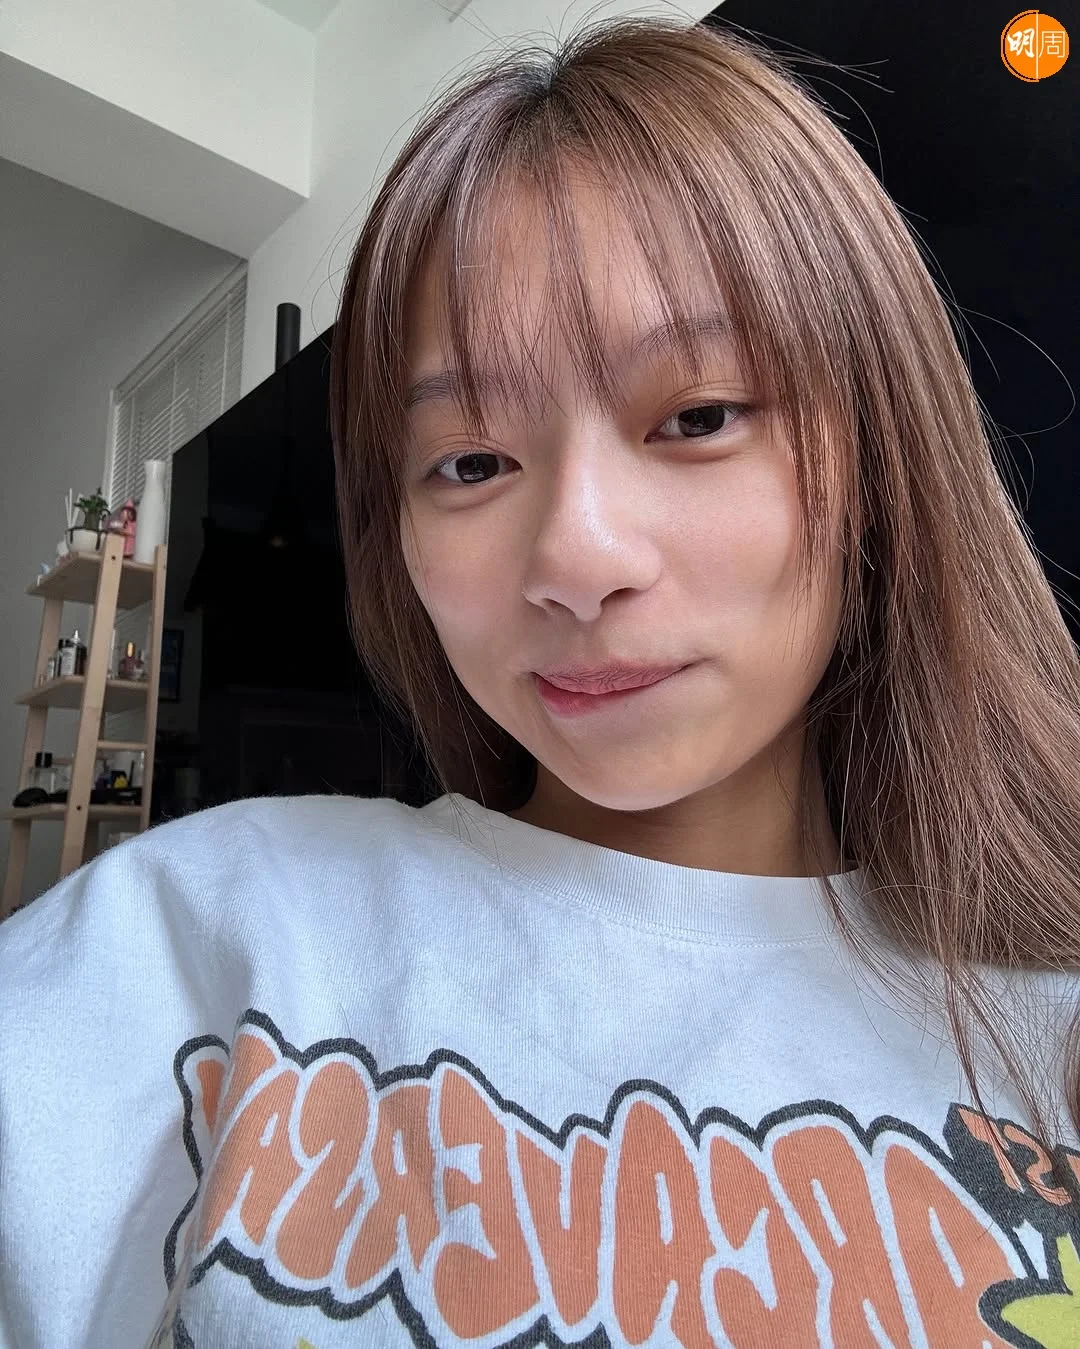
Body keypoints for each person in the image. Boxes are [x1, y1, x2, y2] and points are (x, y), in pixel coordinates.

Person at [2, 16, 1079, 1349]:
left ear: (880, 455)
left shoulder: (1045, 1029)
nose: (575, 560)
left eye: (697, 417)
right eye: (469, 464)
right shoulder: (195, 940)